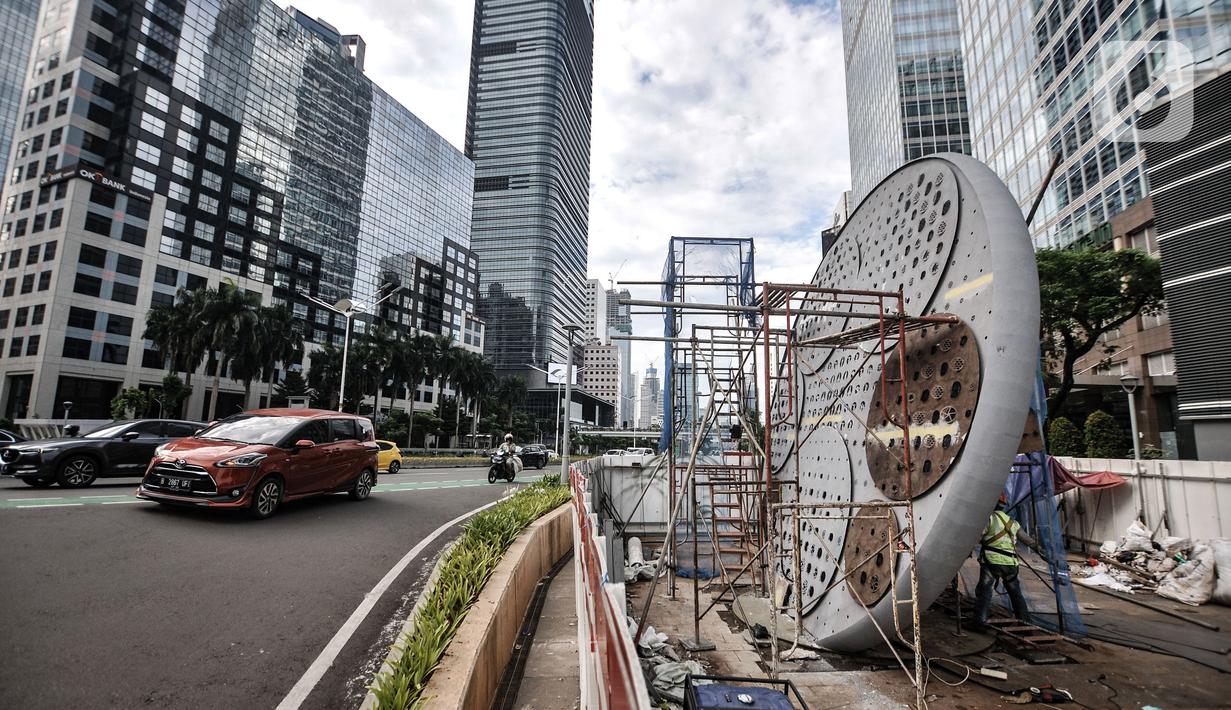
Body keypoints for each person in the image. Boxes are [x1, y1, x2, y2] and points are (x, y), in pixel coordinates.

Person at [973, 494, 1045, 629]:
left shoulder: (989, 519)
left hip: (992, 562)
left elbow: (977, 538)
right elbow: (1028, 540)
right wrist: (1041, 550)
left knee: (984, 591)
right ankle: (1025, 623)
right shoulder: (1012, 522)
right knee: (1016, 593)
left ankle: (979, 622)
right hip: (1011, 564)